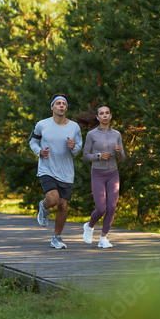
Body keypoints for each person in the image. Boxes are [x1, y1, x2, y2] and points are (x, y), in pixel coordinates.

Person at [29, 93, 83, 249]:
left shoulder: (74, 127)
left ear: (66, 107)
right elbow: (32, 142)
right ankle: (44, 206)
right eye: (58, 103)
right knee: (53, 199)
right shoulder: (42, 125)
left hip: (66, 172)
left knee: (63, 206)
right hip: (47, 168)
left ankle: (56, 237)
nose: (61, 106)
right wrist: (39, 151)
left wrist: (74, 148)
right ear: (52, 107)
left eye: (64, 104)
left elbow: (78, 148)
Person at [75, 104, 125, 248]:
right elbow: (85, 156)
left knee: (112, 207)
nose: (104, 115)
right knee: (101, 208)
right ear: (97, 117)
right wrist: (99, 156)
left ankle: (103, 238)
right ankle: (89, 226)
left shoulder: (117, 134)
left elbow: (122, 158)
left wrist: (120, 151)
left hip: (113, 174)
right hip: (98, 174)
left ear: (110, 116)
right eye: (101, 113)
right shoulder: (92, 135)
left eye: (107, 113)